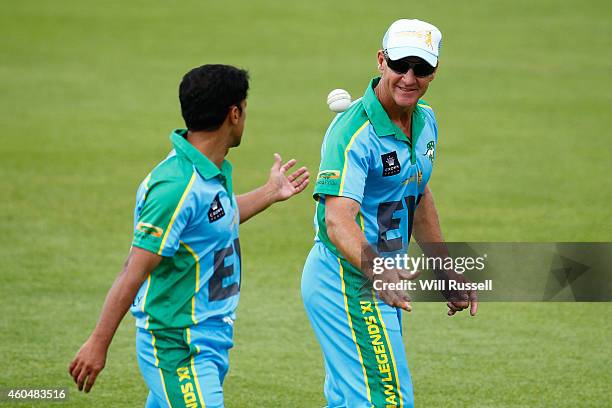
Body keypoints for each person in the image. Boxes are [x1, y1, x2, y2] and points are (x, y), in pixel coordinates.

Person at [69, 64, 310, 407]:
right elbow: (133, 270)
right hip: (178, 344)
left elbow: (214, 220)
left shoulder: (207, 170)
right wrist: (98, 342)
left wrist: (269, 193)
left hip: (209, 337)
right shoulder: (176, 187)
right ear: (234, 113)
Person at [301, 19, 477, 407]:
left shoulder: (425, 119)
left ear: (435, 71)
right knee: (388, 400)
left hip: (382, 278)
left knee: (355, 401)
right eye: (400, 65)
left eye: (422, 69)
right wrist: (377, 270)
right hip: (348, 280)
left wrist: (443, 268)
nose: (409, 78)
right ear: (381, 61)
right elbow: (337, 219)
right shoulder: (354, 134)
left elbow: (417, 192)